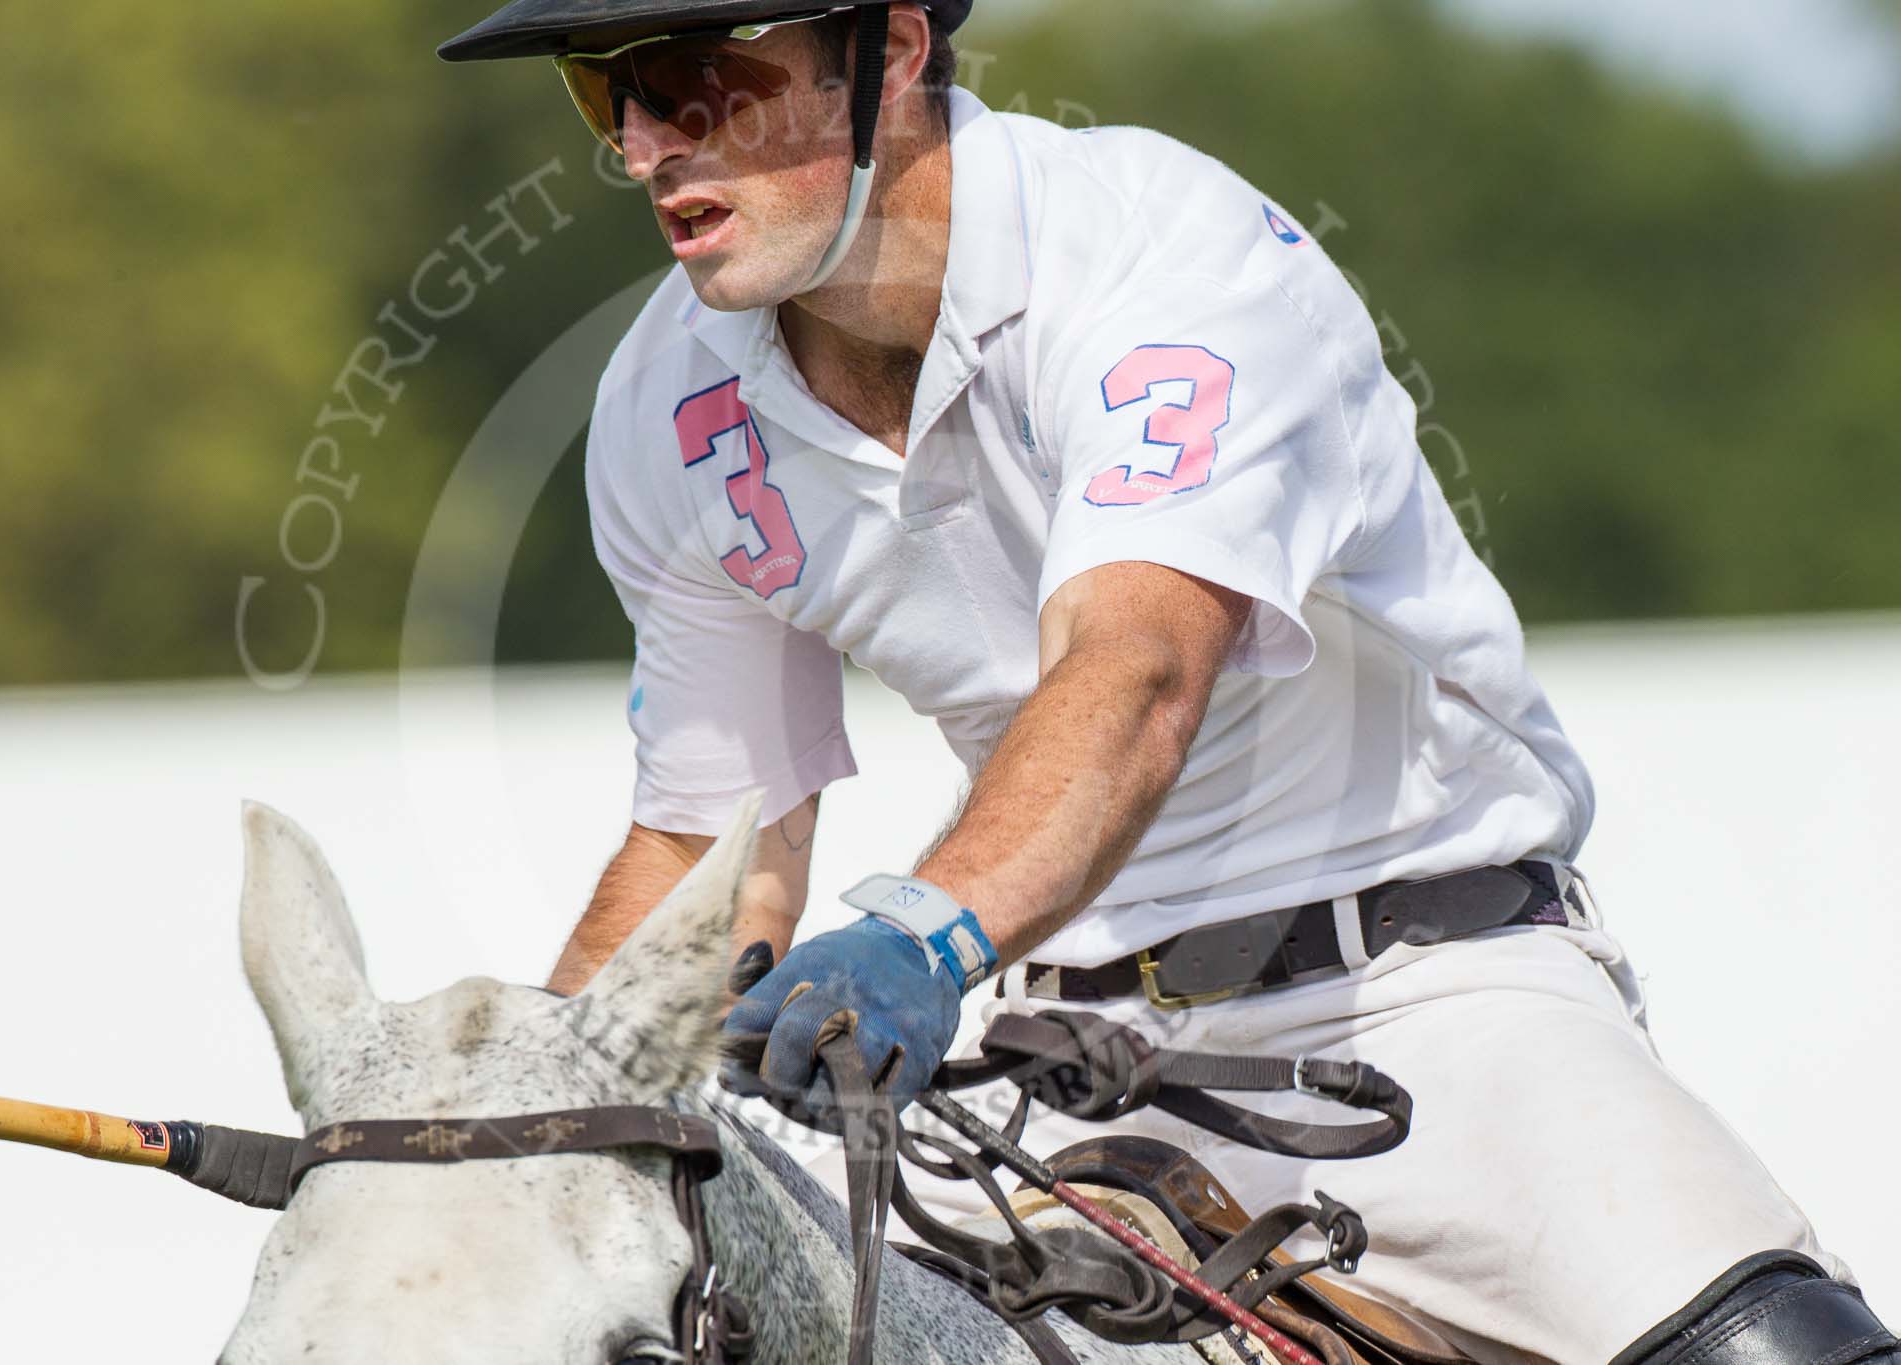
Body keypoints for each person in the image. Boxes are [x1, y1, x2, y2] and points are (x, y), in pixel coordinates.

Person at [437, 4, 1895, 1361]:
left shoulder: (1164, 254)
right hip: (1053, 1064)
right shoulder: (660, 404)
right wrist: (530, 1126)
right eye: (608, 91)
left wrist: (919, 940)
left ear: (885, 49)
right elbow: (712, 851)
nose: (644, 143)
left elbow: (1132, 673)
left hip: (1432, 1020)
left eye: (704, 80)